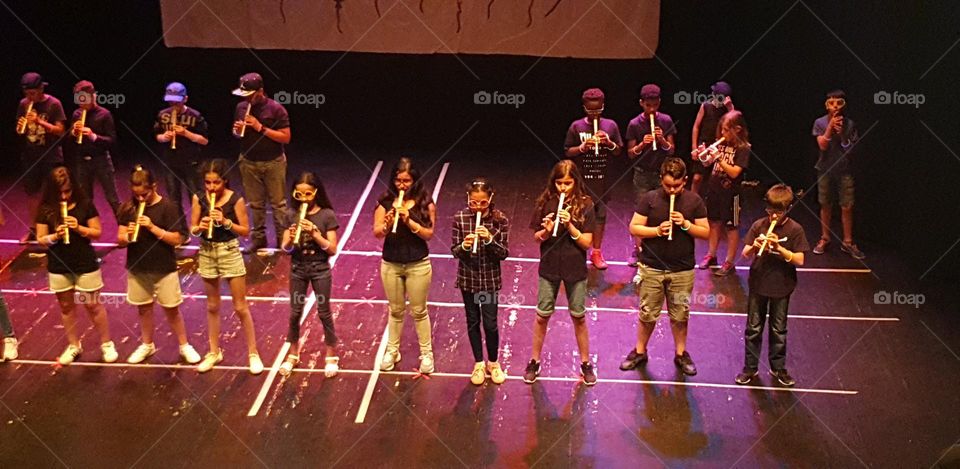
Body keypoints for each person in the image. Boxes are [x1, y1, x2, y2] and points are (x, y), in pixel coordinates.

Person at [621, 157, 709, 376]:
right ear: (661, 179)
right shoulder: (649, 199)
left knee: (680, 315)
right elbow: (634, 228)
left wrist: (686, 225)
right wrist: (657, 231)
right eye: (668, 185)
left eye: (677, 186)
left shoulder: (694, 201)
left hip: (682, 269)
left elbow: (706, 232)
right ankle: (640, 351)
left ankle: (681, 354)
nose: (672, 190)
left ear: (685, 181)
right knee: (647, 313)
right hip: (652, 267)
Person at [523, 160, 597, 386]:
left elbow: (587, 243)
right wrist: (546, 230)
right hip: (550, 266)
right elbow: (537, 237)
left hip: (575, 267)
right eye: (559, 183)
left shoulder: (585, 204)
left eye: (568, 183)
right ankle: (534, 360)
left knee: (579, 317)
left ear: (575, 182)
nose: (563, 188)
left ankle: (585, 363)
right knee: (541, 316)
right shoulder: (546, 202)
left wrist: (570, 226)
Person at [118, 166, 201, 365]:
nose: (140, 199)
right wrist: (128, 235)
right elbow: (120, 239)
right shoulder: (128, 208)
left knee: (172, 308)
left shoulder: (168, 207)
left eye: (144, 194)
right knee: (144, 308)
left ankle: (184, 345)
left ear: (154, 186)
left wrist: (153, 228)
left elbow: (178, 239)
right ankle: (147, 344)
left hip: (164, 267)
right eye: (136, 195)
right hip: (138, 266)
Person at [35, 166, 116, 365]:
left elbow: (97, 232)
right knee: (66, 306)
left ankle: (106, 344)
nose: (64, 196)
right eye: (59, 192)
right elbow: (40, 239)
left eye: (67, 191)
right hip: (59, 263)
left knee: (92, 304)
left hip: (84, 261)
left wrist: (79, 228)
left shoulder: (85, 204)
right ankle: (74, 345)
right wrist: (56, 236)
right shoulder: (45, 208)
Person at [189, 160, 262, 374]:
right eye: (208, 183)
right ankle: (214, 352)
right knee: (212, 306)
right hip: (207, 251)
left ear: (225, 181)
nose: (211, 187)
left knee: (240, 307)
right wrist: (199, 227)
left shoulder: (235, 199)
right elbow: (192, 229)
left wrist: (225, 222)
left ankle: (253, 353)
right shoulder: (199, 198)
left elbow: (245, 231)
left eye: (216, 182)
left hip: (229, 251)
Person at [736, 184, 810, 387]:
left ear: (787, 209)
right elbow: (744, 254)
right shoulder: (759, 225)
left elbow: (799, 260)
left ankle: (778, 368)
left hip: (781, 285)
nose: (773, 216)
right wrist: (755, 246)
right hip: (758, 283)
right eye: (770, 211)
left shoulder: (795, 229)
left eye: (778, 212)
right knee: (753, 328)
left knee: (778, 329)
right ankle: (750, 368)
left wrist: (778, 248)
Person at [373, 157, 436, 374]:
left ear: (415, 181)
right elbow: (377, 232)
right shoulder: (385, 201)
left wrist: (409, 221)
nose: (402, 185)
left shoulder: (425, 203)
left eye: (407, 181)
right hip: (391, 264)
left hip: (417, 264)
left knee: (419, 311)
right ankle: (392, 350)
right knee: (396, 310)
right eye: (398, 180)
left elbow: (428, 234)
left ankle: (427, 354)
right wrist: (388, 223)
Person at [279, 172, 341, 378]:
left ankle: (331, 354)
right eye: (300, 195)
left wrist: (315, 234)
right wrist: (291, 235)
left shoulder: (326, 215)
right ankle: (293, 354)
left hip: (320, 270)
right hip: (298, 269)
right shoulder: (291, 215)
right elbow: (285, 247)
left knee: (324, 312)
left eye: (308, 194)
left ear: (316, 193)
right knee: (295, 312)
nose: (304, 199)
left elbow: (332, 248)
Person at [451, 178, 509, 385]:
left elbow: (503, 253)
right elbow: (454, 251)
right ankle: (478, 363)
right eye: (473, 202)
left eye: (482, 203)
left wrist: (489, 240)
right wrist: (466, 246)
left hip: (489, 281)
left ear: (490, 199)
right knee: (473, 321)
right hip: (469, 280)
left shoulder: (499, 220)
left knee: (490, 324)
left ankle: (493, 362)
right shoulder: (460, 218)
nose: (477, 207)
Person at [563, 88, 623, 270]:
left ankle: (596, 251)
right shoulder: (576, 126)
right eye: (591, 111)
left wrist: (609, 143)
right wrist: (582, 147)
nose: (595, 115)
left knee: (600, 217)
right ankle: (577, 250)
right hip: (581, 181)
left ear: (603, 106)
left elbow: (618, 150)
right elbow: (567, 151)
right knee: (578, 216)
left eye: (598, 111)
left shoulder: (610, 126)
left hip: (602, 180)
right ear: (584, 108)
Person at [231, 72, 291, 254]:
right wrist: (237, 131)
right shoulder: (241, 107)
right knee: (256, 204)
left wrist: (260, 127)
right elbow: (236, 134)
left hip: (273, 162)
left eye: (250, 94)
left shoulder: (276, 109)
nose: (247, 98)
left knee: (278, 204)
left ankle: (283, 238)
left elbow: (285, 137)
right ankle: (259, 239)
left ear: (261, 91)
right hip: (249, 162)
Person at [625, 84, 677, 269]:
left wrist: (661, 140)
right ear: (642, 103)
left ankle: (658, 249)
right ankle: (638, 251)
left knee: (661, 210)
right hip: (642, 174)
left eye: (655, 105)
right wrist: (641, 145)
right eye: (648, 105)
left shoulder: (666, 120)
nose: (652, 109)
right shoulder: (634, 124)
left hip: (661, 174)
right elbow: (631, 153)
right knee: (641, 211)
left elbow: (671, 151)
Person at [812, 90, 864, 259]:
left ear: (844, 104)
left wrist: (841, 133)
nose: (835, 106)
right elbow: (822, 146)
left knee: (847, 205)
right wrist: (829, 128)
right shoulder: (820, 122)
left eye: (838, 103)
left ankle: (847, 242)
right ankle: (825, 238)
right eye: (831, 103)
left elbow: (850, 149)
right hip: (825, 168)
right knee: (825, 204)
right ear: (827, 105)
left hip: (844, 169)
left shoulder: (850, 124)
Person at [15, 72, 66, 244]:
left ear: (41, 88)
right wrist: (20, 127)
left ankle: (57, 227)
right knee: (32, 193)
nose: (30, 97)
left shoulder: (54, 104)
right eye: (27, 94)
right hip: (31, 155)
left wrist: (39, 122)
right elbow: (19, 128)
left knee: (54, 193)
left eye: (33, 93)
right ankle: (34, 228)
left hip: (51, 156)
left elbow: (60, 131)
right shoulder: (24, 104)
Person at [698, 110, 751, 276]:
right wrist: (702, 154)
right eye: (722, 129)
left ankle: (729, 262)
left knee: (731, 227)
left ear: (737, 129)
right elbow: (707, 163)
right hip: (714, 189)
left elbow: (735, 172)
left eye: (726, 130)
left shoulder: (744, 148)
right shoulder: (720, 143)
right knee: (713, 223)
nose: (722, 133)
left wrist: (719, 158)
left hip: (732, 194)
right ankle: (711, 255)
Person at [154, 82, 209, 216]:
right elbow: (157, 136)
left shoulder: (195, 115)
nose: (173, 106)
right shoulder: (163, 115)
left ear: (185, 99)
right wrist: (164, 137)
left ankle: (201, 230)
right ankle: (180, 233)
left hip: (191, 163)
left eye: (177, 103)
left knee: (196, 198)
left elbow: (205, 141)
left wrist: (186, 134)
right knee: (174, 199)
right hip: (170, 163)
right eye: (171, 103)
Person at [69, 80, 120, 220]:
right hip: (82, 161)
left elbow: (111, 141)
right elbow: (70, 139)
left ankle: (125, 229)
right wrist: (74, 132)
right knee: (85, 199)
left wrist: (92, 136)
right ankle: (87, 232)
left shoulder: (104, 114)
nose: (80, 104)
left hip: (101, 160)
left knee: (112, 198)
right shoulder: (77, 114)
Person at [689, 81, 734, 194]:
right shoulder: (706, 106)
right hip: (704, 145)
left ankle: (711, 202)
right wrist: (694, 147)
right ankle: (692, 200)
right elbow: (696, 127)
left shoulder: (727, 109)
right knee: (697, 178)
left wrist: (729, 107)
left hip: (720, 145)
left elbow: (735, 123)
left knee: (715, 178)